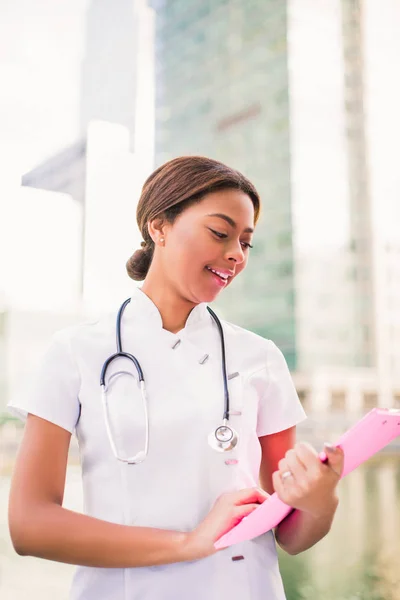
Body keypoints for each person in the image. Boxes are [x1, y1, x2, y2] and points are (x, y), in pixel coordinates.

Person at [8, 156, 344, 600]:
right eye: (220, 233)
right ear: (158, 227)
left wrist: (319, 503)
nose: (236, 255)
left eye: (246, 242)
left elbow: (289, 534)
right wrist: (188, 545)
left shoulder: (261, 358)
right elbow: (30, 525)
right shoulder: (75, 352)